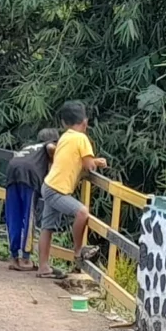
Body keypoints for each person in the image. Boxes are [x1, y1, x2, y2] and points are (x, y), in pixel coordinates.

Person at [36, 101, 108, 280]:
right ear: (85, 122)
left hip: (49, 185)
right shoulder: (81, 138)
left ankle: (43, 267)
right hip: (57, 190)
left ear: (63, 123)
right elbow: (89, 166)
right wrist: (97, 162)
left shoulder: (65, 137)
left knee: (47, 227)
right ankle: (78, 251)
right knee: (82, 212)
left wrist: (92, 161)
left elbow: (75, 160)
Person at [3, 131, 55, 271]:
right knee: (29, 216)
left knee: (13, 216)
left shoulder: (29, 148)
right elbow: (50, 147)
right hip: (29, 175)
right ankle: (25, 258)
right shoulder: (46, 146)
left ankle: (14, 257)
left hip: (12, 171)